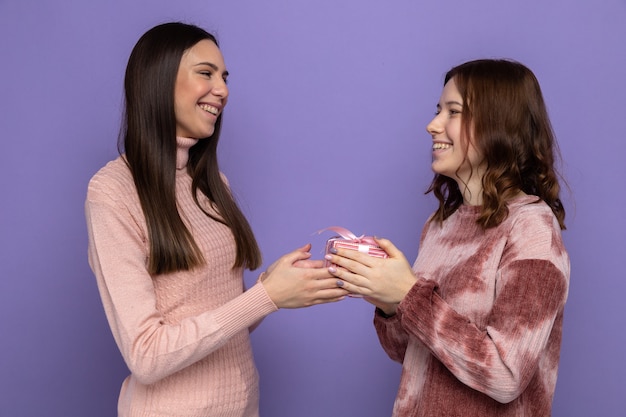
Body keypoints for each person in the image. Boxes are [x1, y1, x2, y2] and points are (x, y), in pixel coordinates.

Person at [85, 22, 347, 417]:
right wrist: (265, 297)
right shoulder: (112, 192)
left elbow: (219, 321)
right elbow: (147, 355)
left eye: (224, 77)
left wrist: (267, 290)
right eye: (206, 73)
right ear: (159, 79)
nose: (222, 89)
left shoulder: (209, 183)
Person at [325, 59, 570, 416]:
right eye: (438, 110)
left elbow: (505, 376)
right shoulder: (440, 225)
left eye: (452, 111)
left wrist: (409, 294)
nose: (432, 125)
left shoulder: (531, 228)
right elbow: (408, 351)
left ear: (496, 124)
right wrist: (388, 302)